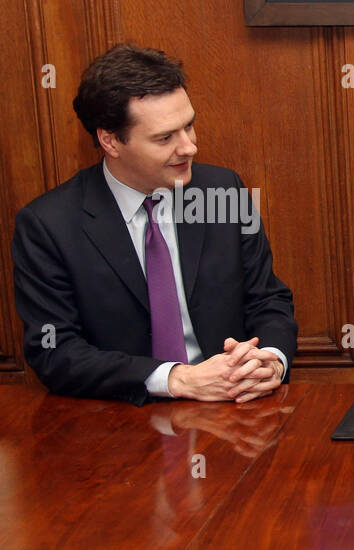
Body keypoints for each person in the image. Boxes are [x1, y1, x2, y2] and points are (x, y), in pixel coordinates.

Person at [11, 44, 296, 405]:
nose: (189, 146)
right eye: (165, 137)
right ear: (110, 140)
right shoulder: (49, 225)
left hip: (235, 410)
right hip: (118, 422)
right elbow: (55, 350)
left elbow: (268, 299)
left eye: (188, 125)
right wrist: (175, 379)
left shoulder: (221, 191)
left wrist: (269, 360)